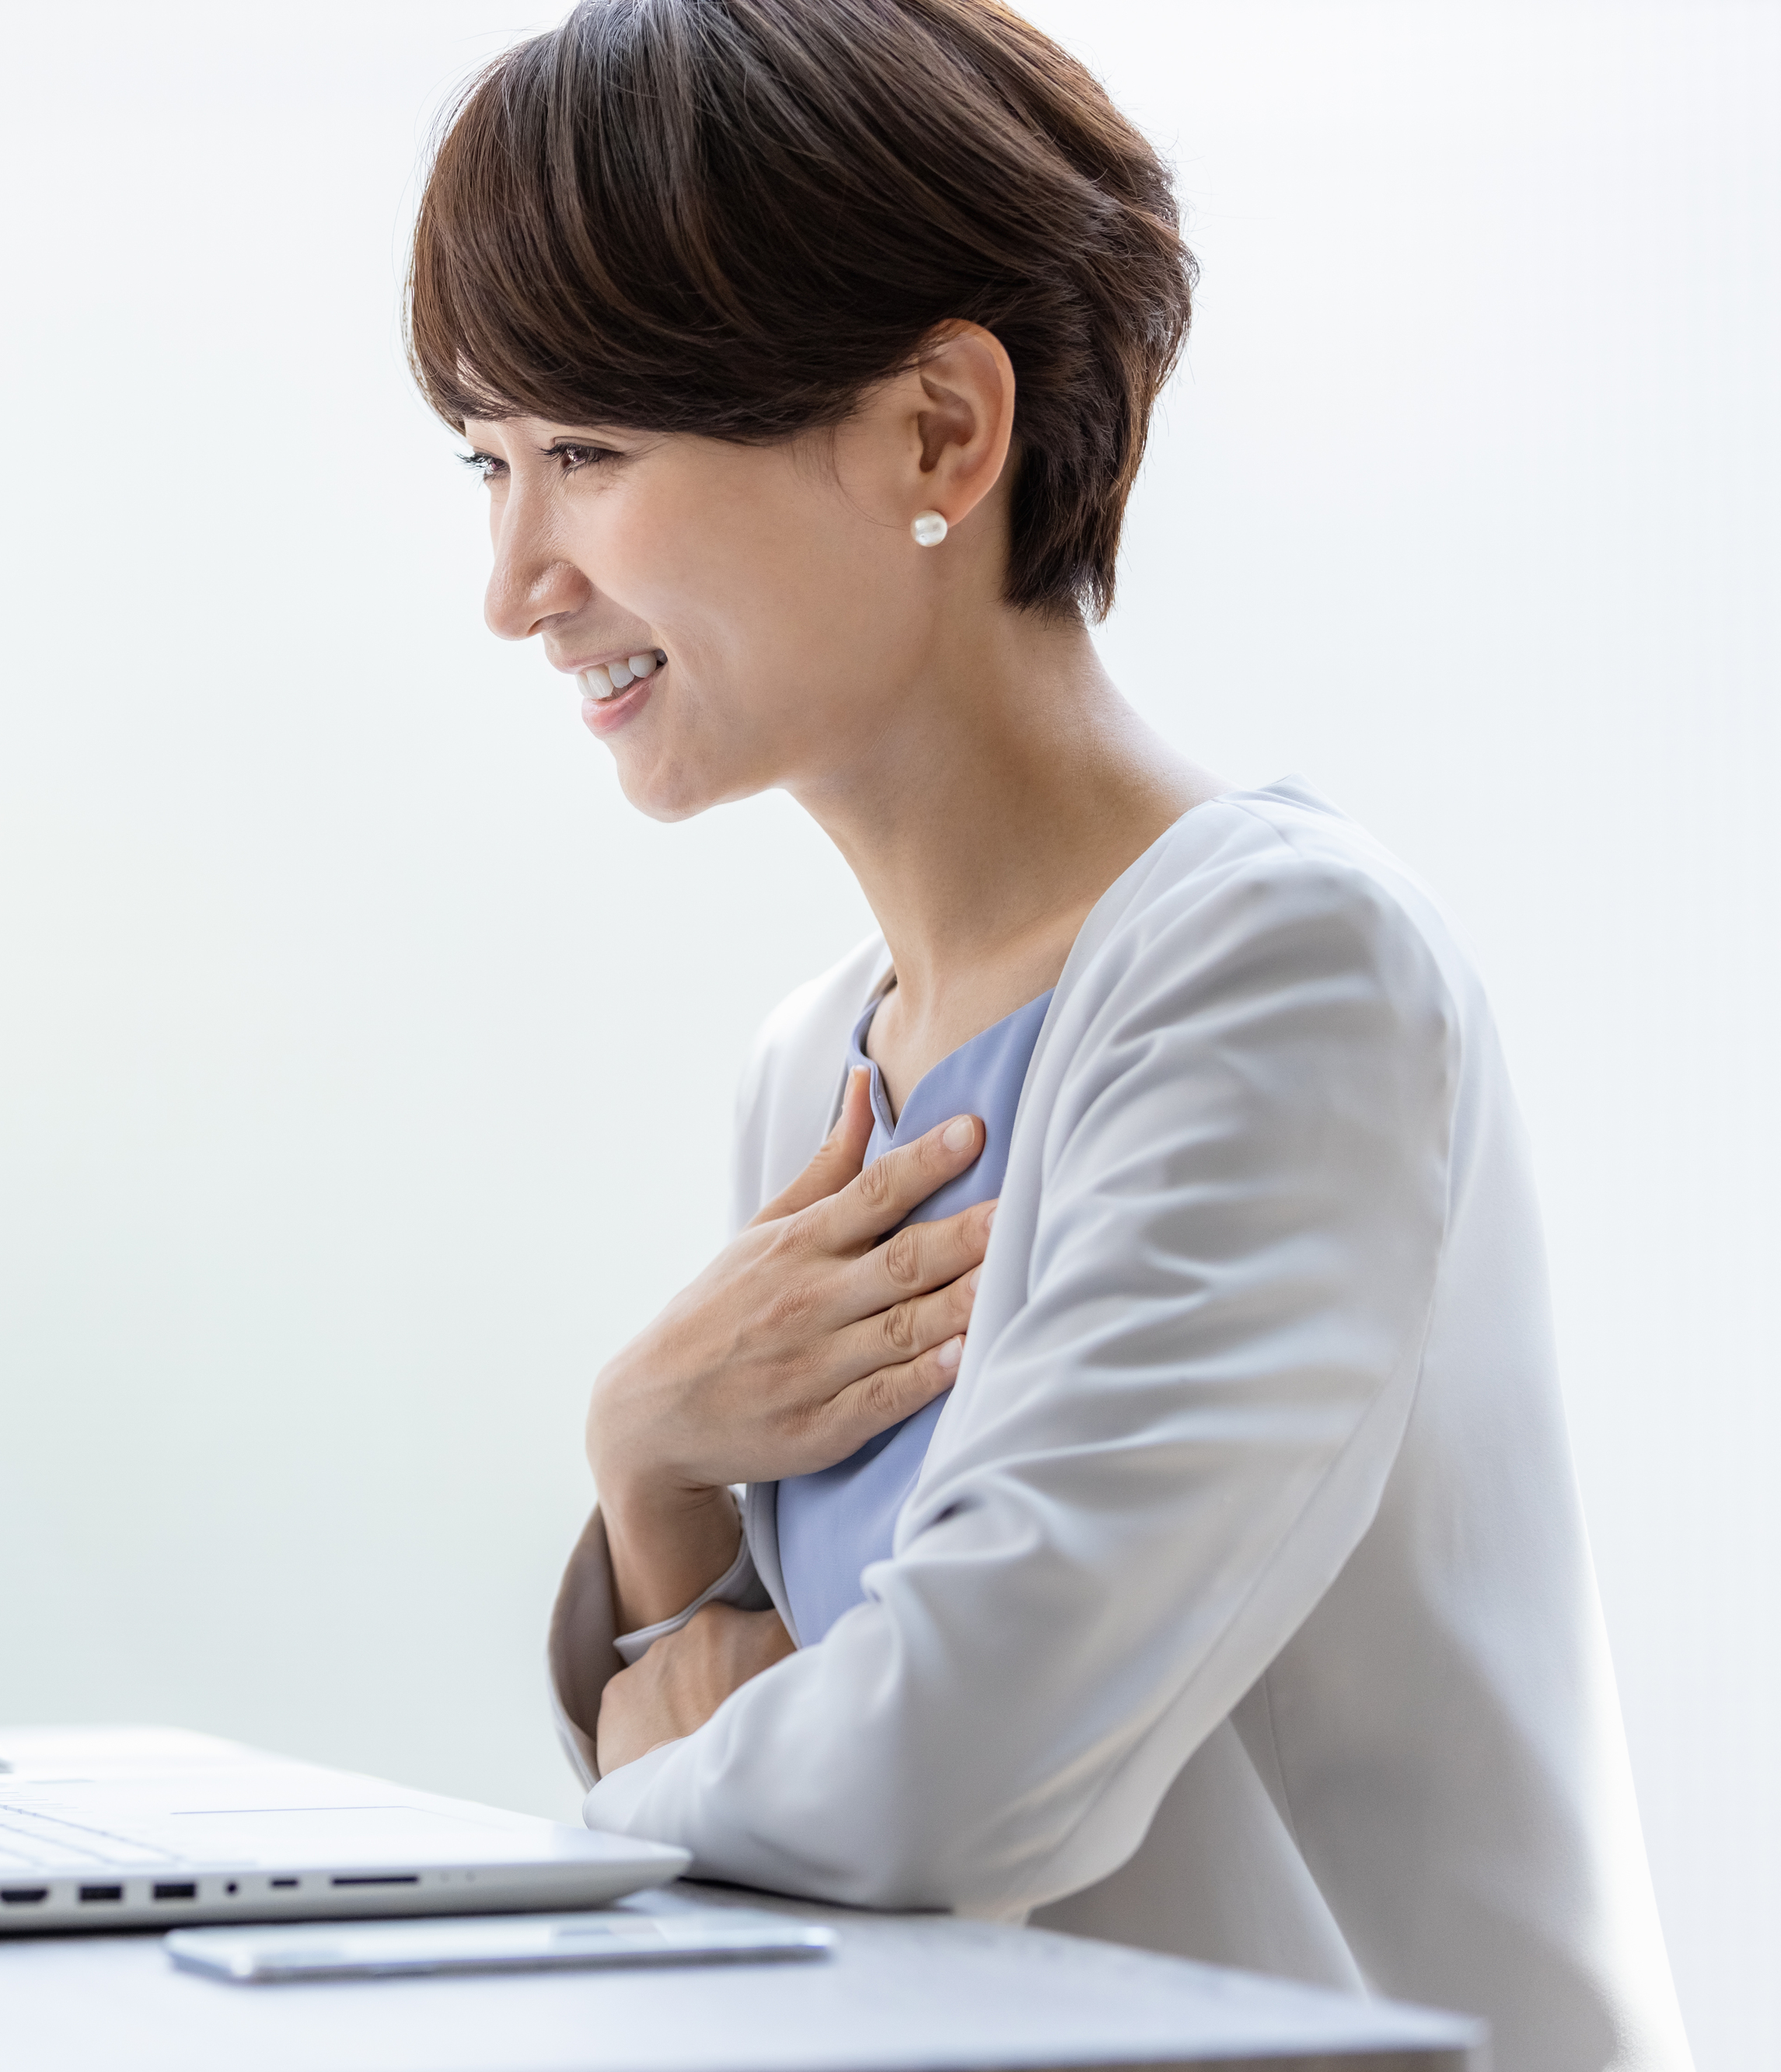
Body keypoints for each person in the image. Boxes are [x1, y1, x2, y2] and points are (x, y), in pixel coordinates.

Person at [407, 5, 1688, 2067]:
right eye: (489, 462)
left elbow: (934, 1780)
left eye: (589, 454)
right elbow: (813, 1811)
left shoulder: (1279, 968)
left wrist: (635, 1792)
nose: (514, 582)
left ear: (940, 433)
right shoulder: (822, 1061)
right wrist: (647, 1469)